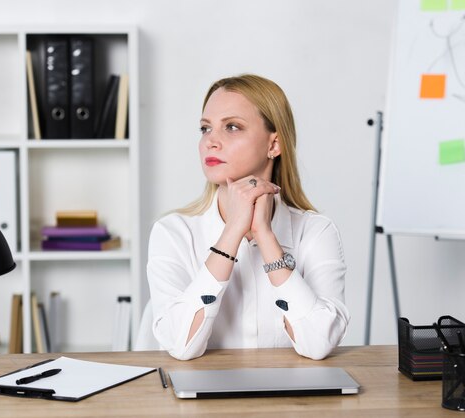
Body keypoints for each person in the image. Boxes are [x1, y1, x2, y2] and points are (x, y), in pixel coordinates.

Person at [147, 74, 349, 360]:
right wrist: (232, 233)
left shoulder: (316, 231)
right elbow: (181, 346)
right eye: (205, 128)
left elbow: (318, 344)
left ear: (274, 145)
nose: (210, 142)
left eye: (232, 127)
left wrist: (265, 236)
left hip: (292, 399)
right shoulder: (172, 232)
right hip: (202, 400)